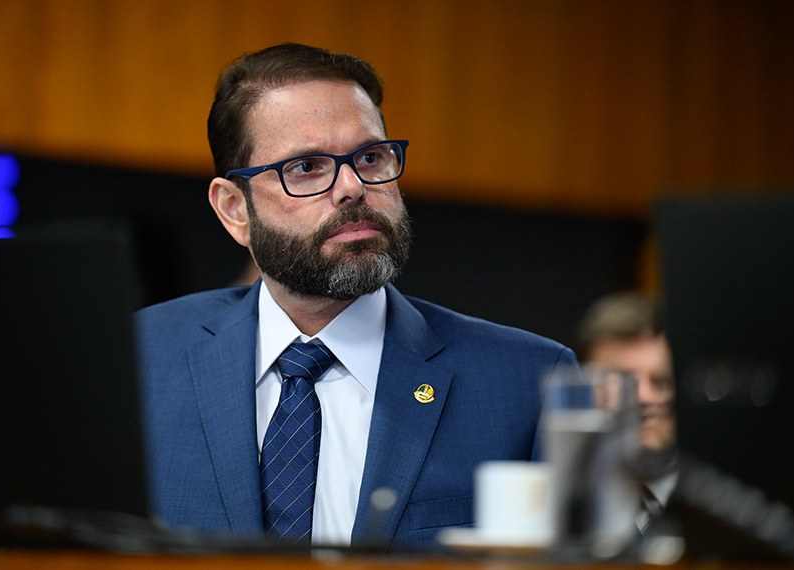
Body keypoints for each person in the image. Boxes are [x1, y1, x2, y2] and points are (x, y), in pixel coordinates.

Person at [135, 42, 577, 547]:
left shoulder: (528, 382)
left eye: (370, 157)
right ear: (235, 209)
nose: (352, 186)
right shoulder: (136, 357)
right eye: (306, 167)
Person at [576, 292, 678, 534]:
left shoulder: (724, 510)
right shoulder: (561, 507)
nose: (644, 397)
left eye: (661, 381)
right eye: (623, 381)